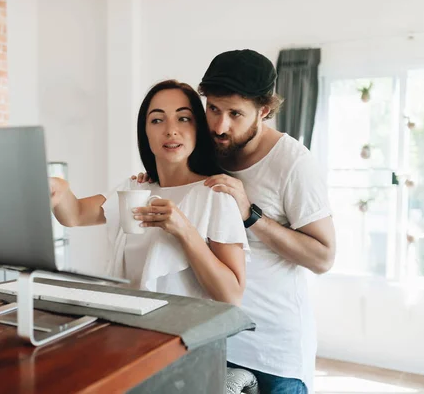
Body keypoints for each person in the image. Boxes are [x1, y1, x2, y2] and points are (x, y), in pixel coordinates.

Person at [136, 50, 336, 393]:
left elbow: (323, 257)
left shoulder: (294, 164)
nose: (219, 125)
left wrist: (250, 215)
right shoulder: (210, 147)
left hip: (273, 352)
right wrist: (155, 177)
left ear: (264, 111)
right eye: (213, 108)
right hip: (213, 339)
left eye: (235, 114)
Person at [49, 79, 249, 306]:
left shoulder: (215, 195)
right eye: (157, 120)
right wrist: (59, 187)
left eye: (183, 119)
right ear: (145, 132)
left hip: (183, 336)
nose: (171, 130)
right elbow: (75, 214)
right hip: (134, 331)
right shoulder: (136, 188)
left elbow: (232, 296)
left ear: (197, 129)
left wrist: (184, 231)